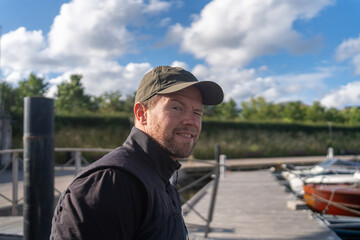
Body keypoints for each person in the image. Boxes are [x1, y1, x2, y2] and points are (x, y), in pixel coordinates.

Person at [50, 65, 224, 239]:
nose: (191, 121)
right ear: (141, 114)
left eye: (197, 112)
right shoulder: (109, 183)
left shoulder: (161, 179)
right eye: (177, 108)